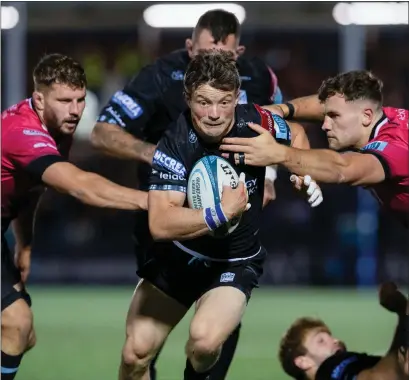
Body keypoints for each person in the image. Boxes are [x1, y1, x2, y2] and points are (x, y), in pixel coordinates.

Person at [91, 9, 322, 380]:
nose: (214, 114)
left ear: (237, 96)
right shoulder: (172, 142)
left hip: (233, 261)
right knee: (135, 353)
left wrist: (296, 167)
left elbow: (294, 132)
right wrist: (220, 212)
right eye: (203, 102)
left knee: (203, 341)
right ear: (187, 97)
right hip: (178, 256)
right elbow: (162, 223)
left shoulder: (255, 118)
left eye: (224, 102)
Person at [1, 53, 148, 380]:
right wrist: (149, 201)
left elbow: (30, 191)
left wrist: (24, 244)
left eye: (80, 99)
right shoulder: (21, 131)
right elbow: (81, 186)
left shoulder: (57, 127)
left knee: (22, 336)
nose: (76, 110)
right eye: (65, 100)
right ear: (39, 99)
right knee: (16, 322)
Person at [219, 70, 409, 228]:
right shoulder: (381, 116)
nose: (325, 125)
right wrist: (281, 110)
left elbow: (342, 168)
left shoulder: (395, 148)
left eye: (333, 116)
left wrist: (278, 153)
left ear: (366, 117)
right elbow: (329, 104)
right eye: (325, 116)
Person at [278, 282, 409, 380]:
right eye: (321, 341)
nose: (335, 341)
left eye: (330, 336)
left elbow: (398, 366)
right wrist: (404, 313)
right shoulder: (328, 369)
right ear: (303, 362)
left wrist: (403, 313)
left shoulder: (354, 362)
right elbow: (381, 376)